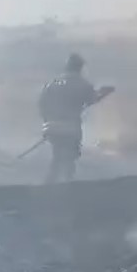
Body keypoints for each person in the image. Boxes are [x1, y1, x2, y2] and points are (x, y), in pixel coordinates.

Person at [38, 53, 114, 184]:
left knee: (58, 156)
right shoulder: (82, 84)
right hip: (70, 128)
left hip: (51, 127)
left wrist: (47, 122)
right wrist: (104, 93)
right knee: (68, 158)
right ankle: (65, 186)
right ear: (80, 68)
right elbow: (91, 100)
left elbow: (42, 103)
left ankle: (52, 184)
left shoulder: (52, 83)